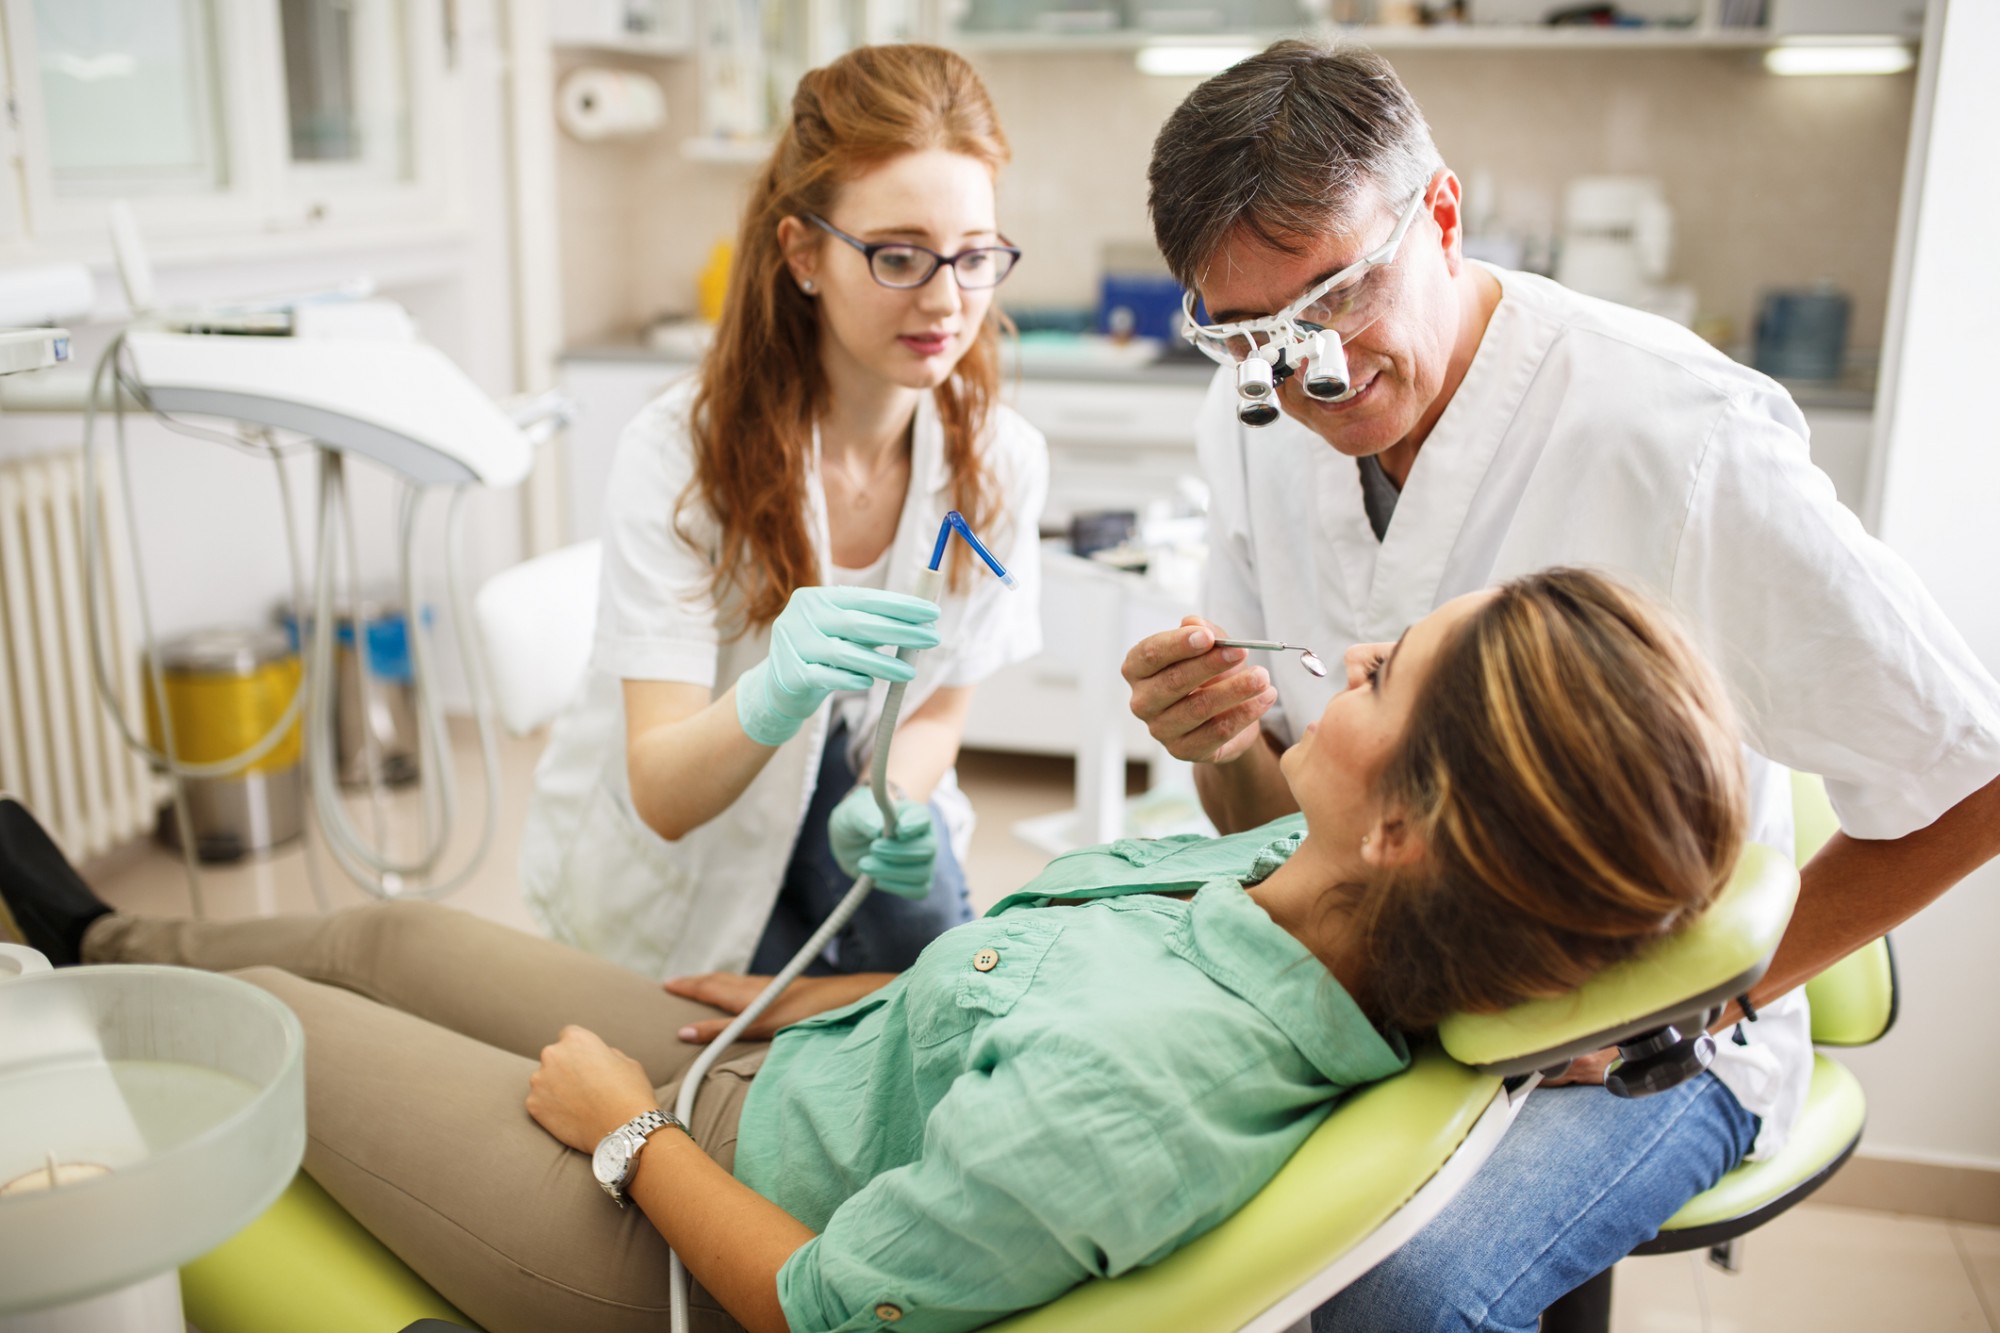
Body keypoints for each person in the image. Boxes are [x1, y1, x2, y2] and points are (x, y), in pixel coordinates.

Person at [9, 570, 1748, 1333]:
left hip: (686, 1243)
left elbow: (835, 1311)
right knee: (387, 924)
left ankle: (88, 990)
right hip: (807, 1070)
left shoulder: (1153, 1087)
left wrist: (632, 1130)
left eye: (1381, 676)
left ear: (1413, 833)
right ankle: (98, 924)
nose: (1347, 650)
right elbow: (1053, 979)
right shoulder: (1306, 874)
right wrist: (889, 987)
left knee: (285, 1021)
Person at [1124, 39, 2000, 1330]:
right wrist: (1213, 740)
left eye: (1343, 294)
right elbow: (1273, 815)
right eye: (1248, 330)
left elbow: (1969, 785)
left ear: (1440, 212)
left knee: (1404, 1289)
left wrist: (1684, 1009)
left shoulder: (1677, 438)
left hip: (1645, 1036)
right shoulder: (1254, 413)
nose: (1312, 367)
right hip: (1381, 981)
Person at [521, 44, 1049, 980]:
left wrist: (889, 795)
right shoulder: (679, 454)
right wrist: (772, 694)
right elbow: (665, 793)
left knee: (941, 1000)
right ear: (804, 252)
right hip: (699, 841)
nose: (945, 299)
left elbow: (942, 702)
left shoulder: (1000, 459)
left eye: (975, 258)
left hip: (851, 804)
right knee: (746, 1059)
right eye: (898, 255)